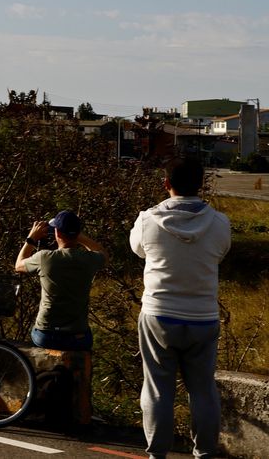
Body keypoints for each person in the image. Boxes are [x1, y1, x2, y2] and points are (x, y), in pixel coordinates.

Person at [130, 156, 230, 459]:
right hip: (203, 316)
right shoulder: (219, 222)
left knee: (158, 388)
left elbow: (137, 250)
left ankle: (157, 453)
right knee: (202, 389)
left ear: (166, 183)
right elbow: (220, 254)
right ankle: (206, 452)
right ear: (201, 185)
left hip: (159, 313)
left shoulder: (148, 219)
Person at [14, 209, 107, 350]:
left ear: (57, 233)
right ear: (78, 233)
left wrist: (31, 239)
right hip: (78, 335)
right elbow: (104, 254)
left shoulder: (44, 258)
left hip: (46, 334)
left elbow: (18, 265)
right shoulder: (90, 260)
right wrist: (79, 237)